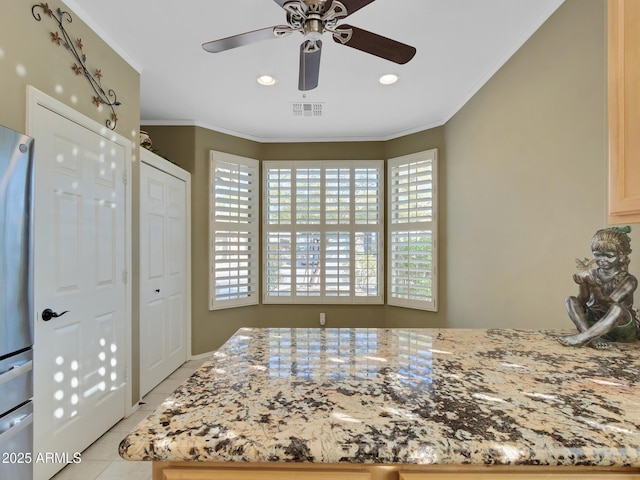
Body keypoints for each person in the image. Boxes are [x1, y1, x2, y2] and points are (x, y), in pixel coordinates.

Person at [558, 226, 639, 349]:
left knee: (618, 308)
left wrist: (596, 286)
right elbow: (583, 301)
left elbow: (608, 303)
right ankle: (592, 337)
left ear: (621, 256)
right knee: (570, 300)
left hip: (620, 327)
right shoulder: (593, 274)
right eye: (597, 255)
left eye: (609, 256)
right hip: (594, 322)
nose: (602, 260)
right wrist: (583, 284)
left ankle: (583, 337)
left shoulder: (629, 280)